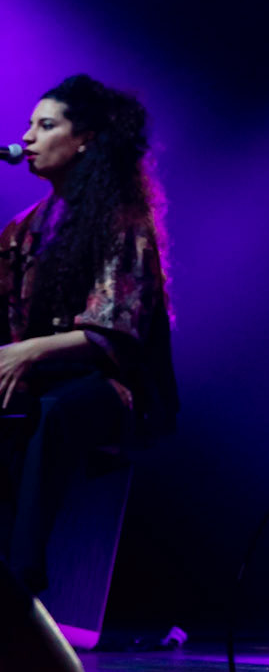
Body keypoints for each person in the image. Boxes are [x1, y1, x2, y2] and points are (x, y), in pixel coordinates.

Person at [0, 75, 176, 596]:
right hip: (44, 378)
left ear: (86, 139)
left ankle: (21, 579)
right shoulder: (22, 229)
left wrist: (27, 352)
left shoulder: (123, 221)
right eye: (28, 125)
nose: (27, 137)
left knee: (56, 411)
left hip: (116, 387)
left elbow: (117, 331)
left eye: (46, 125)